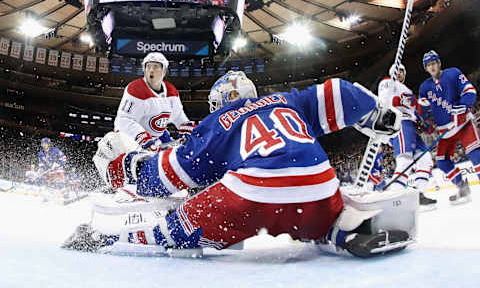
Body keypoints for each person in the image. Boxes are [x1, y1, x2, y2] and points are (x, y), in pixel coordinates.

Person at [67, 72, 417, 259]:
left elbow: (168, 176)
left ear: (222, 100)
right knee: (314, 209)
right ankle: (339, 229)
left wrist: (122, 168)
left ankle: (108, 237)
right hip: (319, 185)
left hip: (251, 195)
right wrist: (376, 113)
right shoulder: (288, 100)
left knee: (181, 223)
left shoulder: (219, 121)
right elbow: (340, 93)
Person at [419, 50, 480, 204]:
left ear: (439, 63)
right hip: (445, 132)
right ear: (426, 68)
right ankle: (462, 187)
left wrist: (463, 105)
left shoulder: (453, 73)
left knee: (476, 155)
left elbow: (469, 90)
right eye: (428, 65)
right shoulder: (424, 87)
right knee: (442, 162)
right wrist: (425, 123)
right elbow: (423, 111)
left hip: (463, 123)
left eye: (433, 63)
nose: (432, 67)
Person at [378, 64, 436, 206]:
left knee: (425, 159)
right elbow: (383, 102)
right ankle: (394, 195)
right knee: (405, 160)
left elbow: (414, 112)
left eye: (402, 72)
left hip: (410, 125)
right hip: (399, 122)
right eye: (397, 71)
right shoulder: (387, 82)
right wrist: (396, 101)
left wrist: (421, 122)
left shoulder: (407, 89)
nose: (400, 74)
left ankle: (418, 194)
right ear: (392, 72)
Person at [114, 52, 195, 152]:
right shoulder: (135, 89)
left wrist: (185, 127)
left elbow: (178, 116)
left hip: (157, 139)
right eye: (148, 67)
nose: (151, 70)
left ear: (164, 71)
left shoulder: (171, 91)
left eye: (156, 67)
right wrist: (142, 138)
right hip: (130, 140)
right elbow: (123, 120)